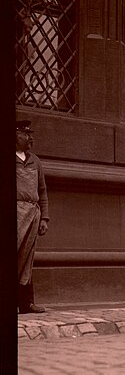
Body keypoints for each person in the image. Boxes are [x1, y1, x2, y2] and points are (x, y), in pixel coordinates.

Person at [16, 119, 49, 314]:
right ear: (15, 136)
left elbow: (42, 191)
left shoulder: (35, 161)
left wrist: (44, 217)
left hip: (32, 215)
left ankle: (27, 303)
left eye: (31, 135)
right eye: (26, 134)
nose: (31, 138)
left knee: (27, 260)